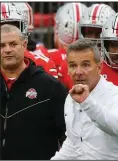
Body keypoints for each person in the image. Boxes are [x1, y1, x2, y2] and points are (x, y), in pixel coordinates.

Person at [51, 39, 118, 160]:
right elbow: (73, 145)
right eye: (73, 65)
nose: (78, 72)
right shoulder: (71, 99)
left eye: (86, 65)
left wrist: (87, 102)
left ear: (99, 67)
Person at [0, 24, 68, 159]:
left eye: (13, 44)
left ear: (24, 45)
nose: (7, 50)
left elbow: (69, 136)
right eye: (2, 45)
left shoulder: (50, 87)